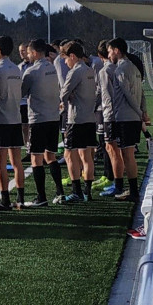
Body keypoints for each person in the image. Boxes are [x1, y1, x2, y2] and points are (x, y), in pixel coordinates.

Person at [21, 39, 64, 206]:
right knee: (51, 156)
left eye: (29, 52)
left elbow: (21, 93)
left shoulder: (31, 72)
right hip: (53, 117)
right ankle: (60, 192)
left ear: (36, 53)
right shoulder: (53, 68)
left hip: (38, 119)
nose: (28, 55)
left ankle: (41, 197)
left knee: (36, 158)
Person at [108, 37, 150, 204]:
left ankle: (133, 191)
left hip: (126, 117)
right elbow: (141, 94)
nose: (109, 54)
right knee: (128, 153)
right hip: (131, 116)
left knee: (127, 154)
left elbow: (128, 94)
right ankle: (132, 189)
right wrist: (143, 111)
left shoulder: (122, 69)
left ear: (117, 50)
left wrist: (140, 113)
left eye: (110, 50)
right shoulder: (133, 68)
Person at [59, 41, 98, 204]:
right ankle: (87, 192)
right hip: (90, 117)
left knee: (69, 155)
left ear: (72, 56)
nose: (66, 63)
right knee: (87, 155)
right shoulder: (90, 70)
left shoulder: (75, 72)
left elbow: (64, 93)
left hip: (76, 119)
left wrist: (65, 98)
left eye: (66, 59)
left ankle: (76, 191)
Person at [0, 34, 24, 211]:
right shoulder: (16, 69)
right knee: (17, 161)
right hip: (15, 118)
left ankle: (4, 198)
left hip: (1, 120)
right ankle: (20, 197)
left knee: (0, 161)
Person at [96, 41, 123, 197]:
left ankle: (117, 184)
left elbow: (107, 95)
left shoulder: (105, 71)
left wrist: (108, 114)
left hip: (110, 115)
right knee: (113, 149)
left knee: (112, 149)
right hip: (116, 113)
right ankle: (116, 182)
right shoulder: (117, 68)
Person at [18, 41, 31, 151]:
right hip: (22, 101)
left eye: (23, 50)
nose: (21, 53)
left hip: (32, 101)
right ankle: (28, 146)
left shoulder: (35, 65)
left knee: (32, 125)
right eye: (20, 51)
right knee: (24, 126)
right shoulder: (19, 67)